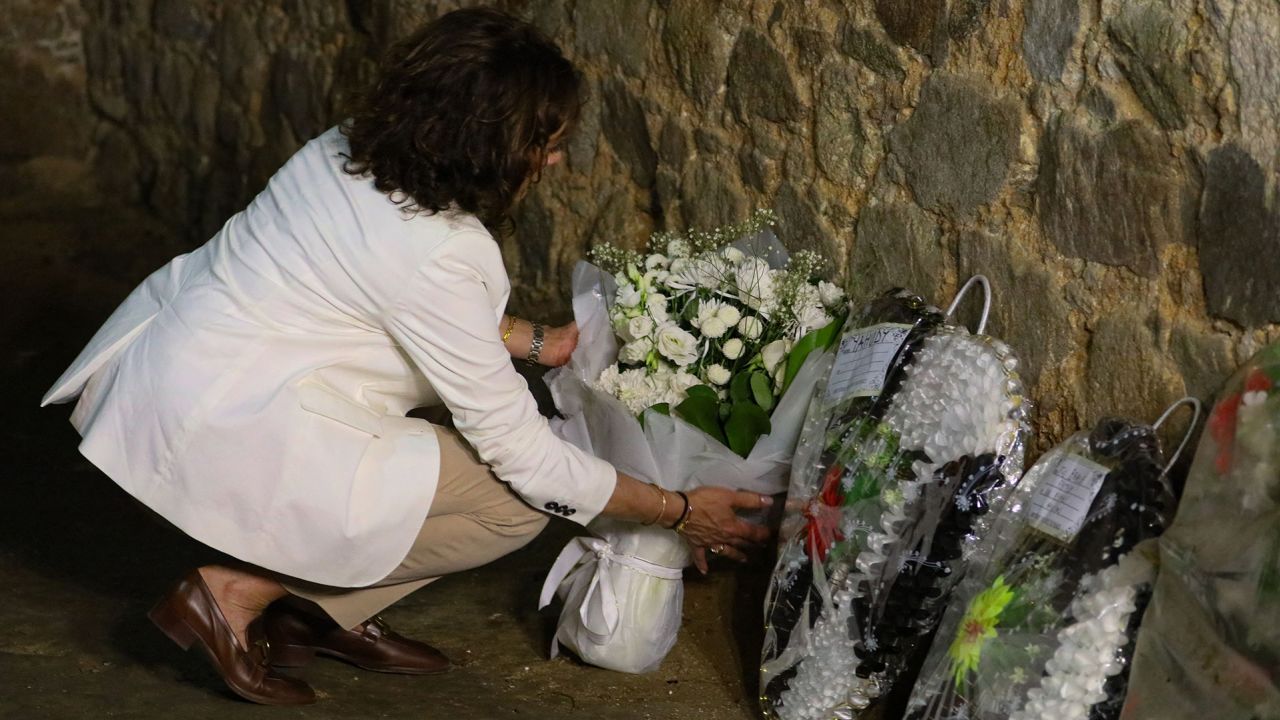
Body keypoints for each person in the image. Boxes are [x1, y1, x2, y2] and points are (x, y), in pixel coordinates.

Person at [41, 7, 771, 706]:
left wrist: (542, 344)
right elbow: (525, 457)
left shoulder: (348, 144)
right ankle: (236, 593)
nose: (553, 159)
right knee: (510, 508)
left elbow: (393, 294)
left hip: (175, 368)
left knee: (448, 452)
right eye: (544, 142)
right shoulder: (448, 253)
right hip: (239, 418)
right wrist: (676, 511)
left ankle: (316, 616)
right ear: (490, 145)